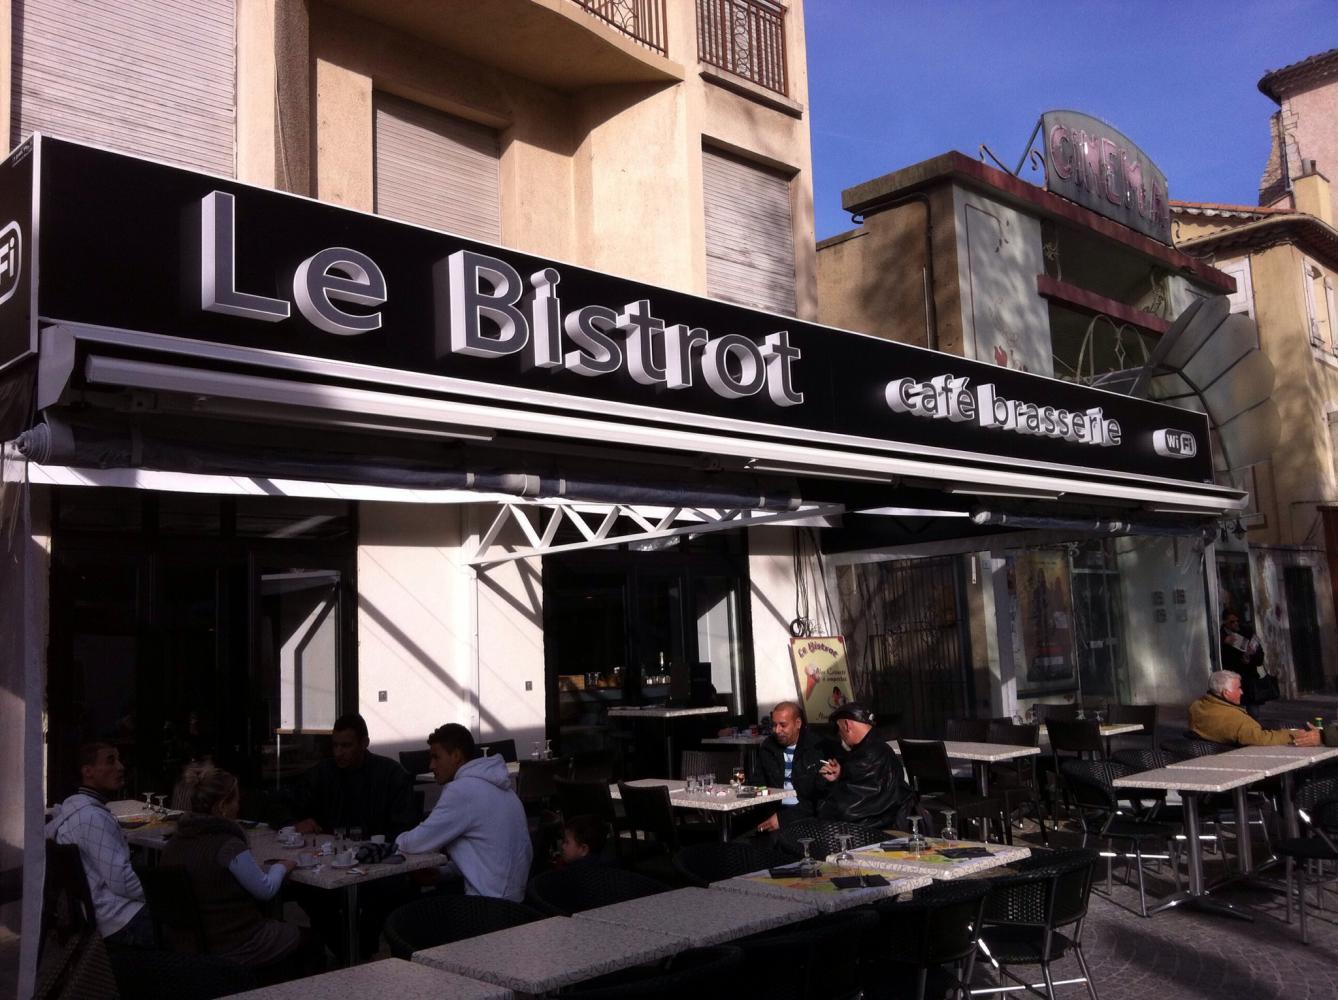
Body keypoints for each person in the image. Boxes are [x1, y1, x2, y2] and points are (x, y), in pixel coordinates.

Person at [162, 762, 322, 977]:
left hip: (192, 943)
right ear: (222, 806)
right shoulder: (227, 844)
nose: (239, 805)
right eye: (235, 799)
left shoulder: (175, 842)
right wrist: (283, 865)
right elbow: (265, 890)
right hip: (237, 941)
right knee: (311, 941)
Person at [395, 723, 532, 901]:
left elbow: (414, 843)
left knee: (405, 914)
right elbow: (490, 854)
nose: (431, 765)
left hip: (487, 907)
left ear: (456, 756)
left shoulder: (461, 790)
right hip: (514, 900)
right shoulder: (500, 785)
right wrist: (443, 873)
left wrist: (392, 842)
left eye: (436, 757)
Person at [45, 742, 153, 947]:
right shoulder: (92, 817)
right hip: (117, 921)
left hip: (98, 915)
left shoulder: (74, 810)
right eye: (111, 761)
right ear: (88, 771)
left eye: (119, 760)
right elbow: (122, 881)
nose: (120, 767)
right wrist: (159, 894)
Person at [291, 712, 418, 840]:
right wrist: (294, 824)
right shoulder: (322, 773)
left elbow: (404, 827)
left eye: (346, 746)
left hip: (375, 852)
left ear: (364, 743)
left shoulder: (391, 775)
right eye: (335, 745)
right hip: (329, 851)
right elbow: (284, 803)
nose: (338, 753)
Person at [818, 702, 913, 828]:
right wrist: (840, 774)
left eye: (838, 729)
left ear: (847, 725)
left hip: (871, 829)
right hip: (881, 822)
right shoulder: (876, 748)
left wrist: (822, 806)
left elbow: (850, 805)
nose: (839, 735)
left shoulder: (870, 753)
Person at [749, 701, 836, 833]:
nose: (777, 730)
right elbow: (758, 784)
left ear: (798, 724)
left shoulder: (818, 747)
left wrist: (784, 818)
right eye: (774, 725)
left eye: (783, 725)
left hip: (806, 818)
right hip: (772, 814)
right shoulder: (768, 746)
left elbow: (821, 798)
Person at [1189, 670, 1320, 747]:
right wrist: (1296, 734)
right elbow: (1262, 739)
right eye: (1238, 688)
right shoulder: (1235, 719)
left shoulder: (1197, 706)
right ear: (1226, 693)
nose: (1242, 692)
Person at [1220, 610, 1271, 720]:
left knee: (1253, 712)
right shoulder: (1221, 636)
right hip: (1232, 677)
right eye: (1232, 622)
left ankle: (1254, 729)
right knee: (1236, 710)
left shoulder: (1246, 632)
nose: (1235, 624)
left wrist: (1250, 660)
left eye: (1237, 621)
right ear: (1225, 623)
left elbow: (1259, 653)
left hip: (1249, 677)